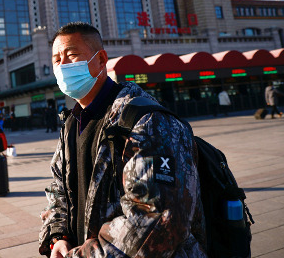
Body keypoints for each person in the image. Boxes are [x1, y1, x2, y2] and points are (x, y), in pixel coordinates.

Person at [39, 22, 205, 257]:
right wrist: (58, 236)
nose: (63, 66)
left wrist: (81, 255)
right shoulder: (71, 124)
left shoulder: (146, 120)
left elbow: (157, 220)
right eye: (57, 60)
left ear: (101, 59)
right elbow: (59, 189)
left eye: (72, 55)